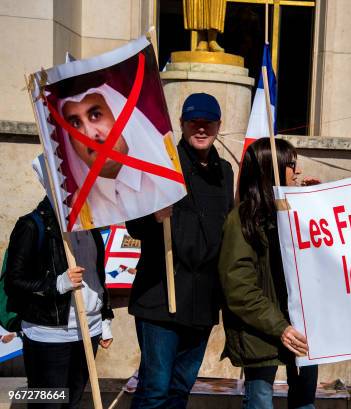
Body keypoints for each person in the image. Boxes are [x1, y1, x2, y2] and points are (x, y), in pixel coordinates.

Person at [126, 92, 234, 409]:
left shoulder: (225, 172)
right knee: (155, 389)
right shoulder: (162, 164)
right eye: (194, 123)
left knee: (180, 390)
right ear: (183, 124)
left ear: (218, 126)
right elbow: (134, 225)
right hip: (161, 300)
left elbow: (229, 229)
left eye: (208, 123)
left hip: (201, 304)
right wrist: (152, 216)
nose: (201, 129)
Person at [4, 156, 114, 409]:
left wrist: (104, 317)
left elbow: (96, 276)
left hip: (89, 331)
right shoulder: (31, 226)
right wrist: (56, 284)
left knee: (72, 402)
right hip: (48, 336)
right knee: (47, 404)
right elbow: (14, 282)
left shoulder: (90, 225)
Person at [219, 138, 319, 409]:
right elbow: (239, 288)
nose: (297, 172)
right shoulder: (242, 220)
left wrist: (318, 206)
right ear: (270, 169)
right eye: (291, 165)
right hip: (261, 336)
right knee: (260, 402)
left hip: (301, 330)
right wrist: (280, 327)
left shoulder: (295, 213)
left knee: (305, 404)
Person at [57, 83, 186, 229]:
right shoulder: (82, 209)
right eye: (75, 124)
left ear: (119, 115)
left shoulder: (168, 169)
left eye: (95, 115)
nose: (91, 135)